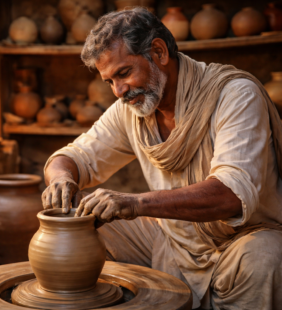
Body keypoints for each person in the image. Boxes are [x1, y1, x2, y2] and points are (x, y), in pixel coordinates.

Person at [42, 8, 282, 310]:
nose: (119, 91)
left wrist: (136, 203)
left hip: (241, 241)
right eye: (109, 82)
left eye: (124, 73)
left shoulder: (234, 96)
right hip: (175, 240)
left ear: (158, 52)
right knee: (83, 220)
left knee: (266, 256)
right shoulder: (132, 109)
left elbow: (230, 195)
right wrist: (62, 178)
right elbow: (73, 157)